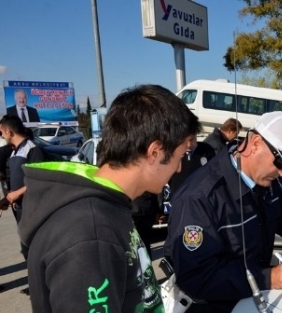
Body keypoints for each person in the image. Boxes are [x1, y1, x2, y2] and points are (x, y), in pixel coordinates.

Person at [18, 84, 201, 312]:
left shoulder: (108, 206)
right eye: (179, 156)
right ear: (155, 152)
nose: (179, 167)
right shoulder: (91, 232)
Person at [164, 111, 282, 313]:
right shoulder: (200, 196)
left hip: (252, 301)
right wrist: (267, 278)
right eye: (281, 163)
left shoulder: (269, 183)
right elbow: (196, 275)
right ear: (254, 144)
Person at [0, 114, 47, 295]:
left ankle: (41, 284)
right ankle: (35, 283)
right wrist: (8, 199)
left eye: (2, 132)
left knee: (35, 247)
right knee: (26, 247)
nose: (1, 136)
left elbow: (39, 180)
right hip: (19, 207)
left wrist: (16, 194)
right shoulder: (15, 150)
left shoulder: (32, 149)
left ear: (9, 131)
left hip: (32, 207)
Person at [131, 192, 162, 259]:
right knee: (145, 239)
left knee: (139, 239)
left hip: (137, 209)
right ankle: (146, 260)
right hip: (147, 208)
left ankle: (143, 260)